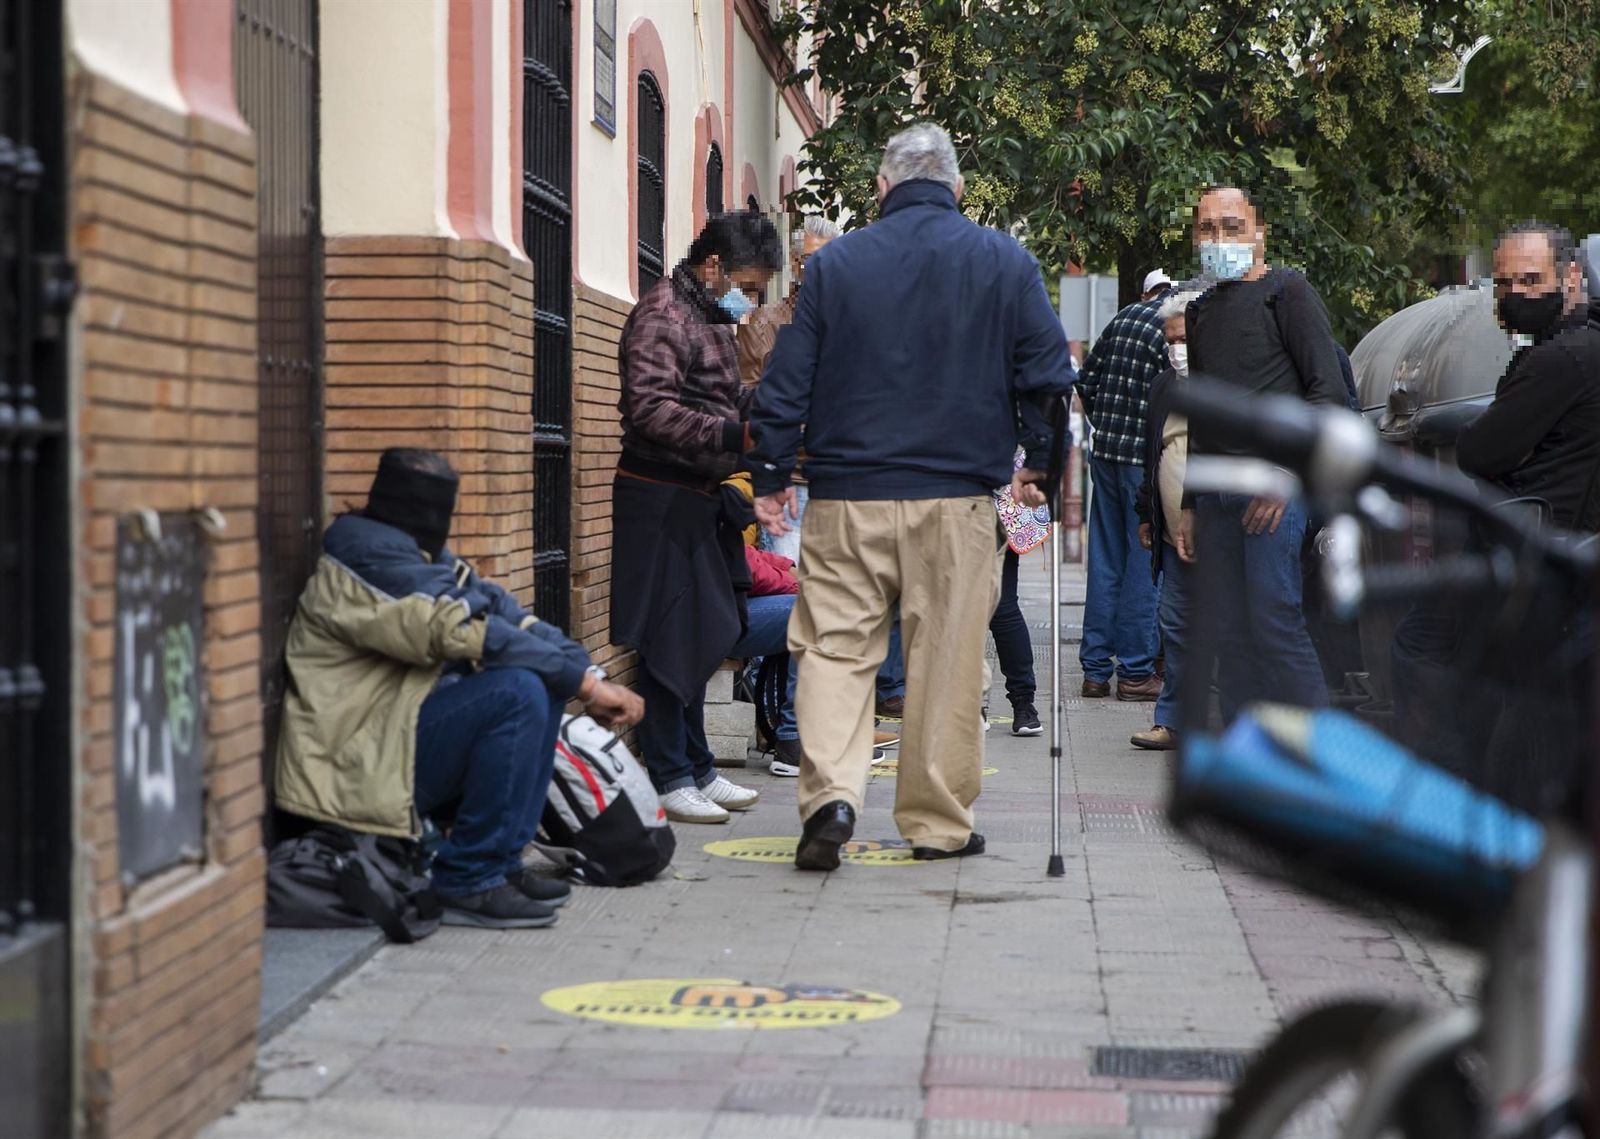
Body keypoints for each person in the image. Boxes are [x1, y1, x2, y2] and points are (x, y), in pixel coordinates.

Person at [749, 122, 1075, 870]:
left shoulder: (835, 266)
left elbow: (785, 381)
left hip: (847, 497)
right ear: (958, 189)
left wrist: (769, 475)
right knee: (949, 658)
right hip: (958, 501)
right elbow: (1050, 378)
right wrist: (1041, 470)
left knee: (834, 649)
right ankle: (937, 823)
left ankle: (831, 794)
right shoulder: (1005, 261)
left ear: (881, 188)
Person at [274, 448, 644, 930]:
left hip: (393, 738)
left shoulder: (422, 557)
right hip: (352, 758)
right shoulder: (363, 561)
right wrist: (584, 686)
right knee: (517, 691)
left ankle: (500, 865)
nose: (433, 518)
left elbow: (509, 615)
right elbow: (457, 628)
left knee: (538, 681)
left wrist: (581, 673)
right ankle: (468, 878)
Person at [611, 211, 779, 824]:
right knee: (667, 641)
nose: (751, 301)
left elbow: (721, 397)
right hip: (658, 497)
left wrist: (769, 408)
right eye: (749, 286)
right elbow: (651, 410)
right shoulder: (663, 313)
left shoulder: (710, 315)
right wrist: (738, 432)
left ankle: (699, 765)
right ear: (714, 267)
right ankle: (670, 774)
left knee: (704, 632)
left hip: (699, 496)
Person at [1177, 186, 1345, 719]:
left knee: (1275, 619)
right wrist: (1188, 503)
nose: (1218, 238)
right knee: (1229, 630)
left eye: (1231, 227)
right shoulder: (1201, 311)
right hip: (1217, 498)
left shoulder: (1287, 292)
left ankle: (1321, 750)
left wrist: (1285, 475)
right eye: (1207, 228)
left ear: (1258, 232)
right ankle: (1247, 757)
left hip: (1275, 491)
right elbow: (1204, 417)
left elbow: (1330, 395)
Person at [1457, 221, 1600, 531]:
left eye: (1531, 279)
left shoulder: (1564, 357)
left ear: (1571, 277)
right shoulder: (1579, 342)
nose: (1517, 292)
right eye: (1505, 283)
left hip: (1550, 552)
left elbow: (1476, 452)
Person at [1074, 277, 1170, 701]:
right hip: (1143, 465)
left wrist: (1104, 425)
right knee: (1144, 564)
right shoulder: (1176, 327)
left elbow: (1085, 381)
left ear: (1146, 291)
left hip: (1107, 456)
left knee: (1105, 558)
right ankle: (1134, 672)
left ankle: (1095, 670)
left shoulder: (1124, 317)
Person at [1131, 289, 1202, 750]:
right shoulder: (1163, 387)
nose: (1175, 348)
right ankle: (1172, 720)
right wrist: (1146, 515)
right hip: (1174, 533)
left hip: (1218, 525)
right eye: (1169, 338)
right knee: (1174, 622)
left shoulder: (1223, 384)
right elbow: (1152, 453)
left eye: (1182, 339)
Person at [990, 449, 1048, 736]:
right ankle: (1022, 704)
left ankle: (1023, 702)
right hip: (960, 490)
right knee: (995, 609)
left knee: (1001, 608)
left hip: (990, 493)